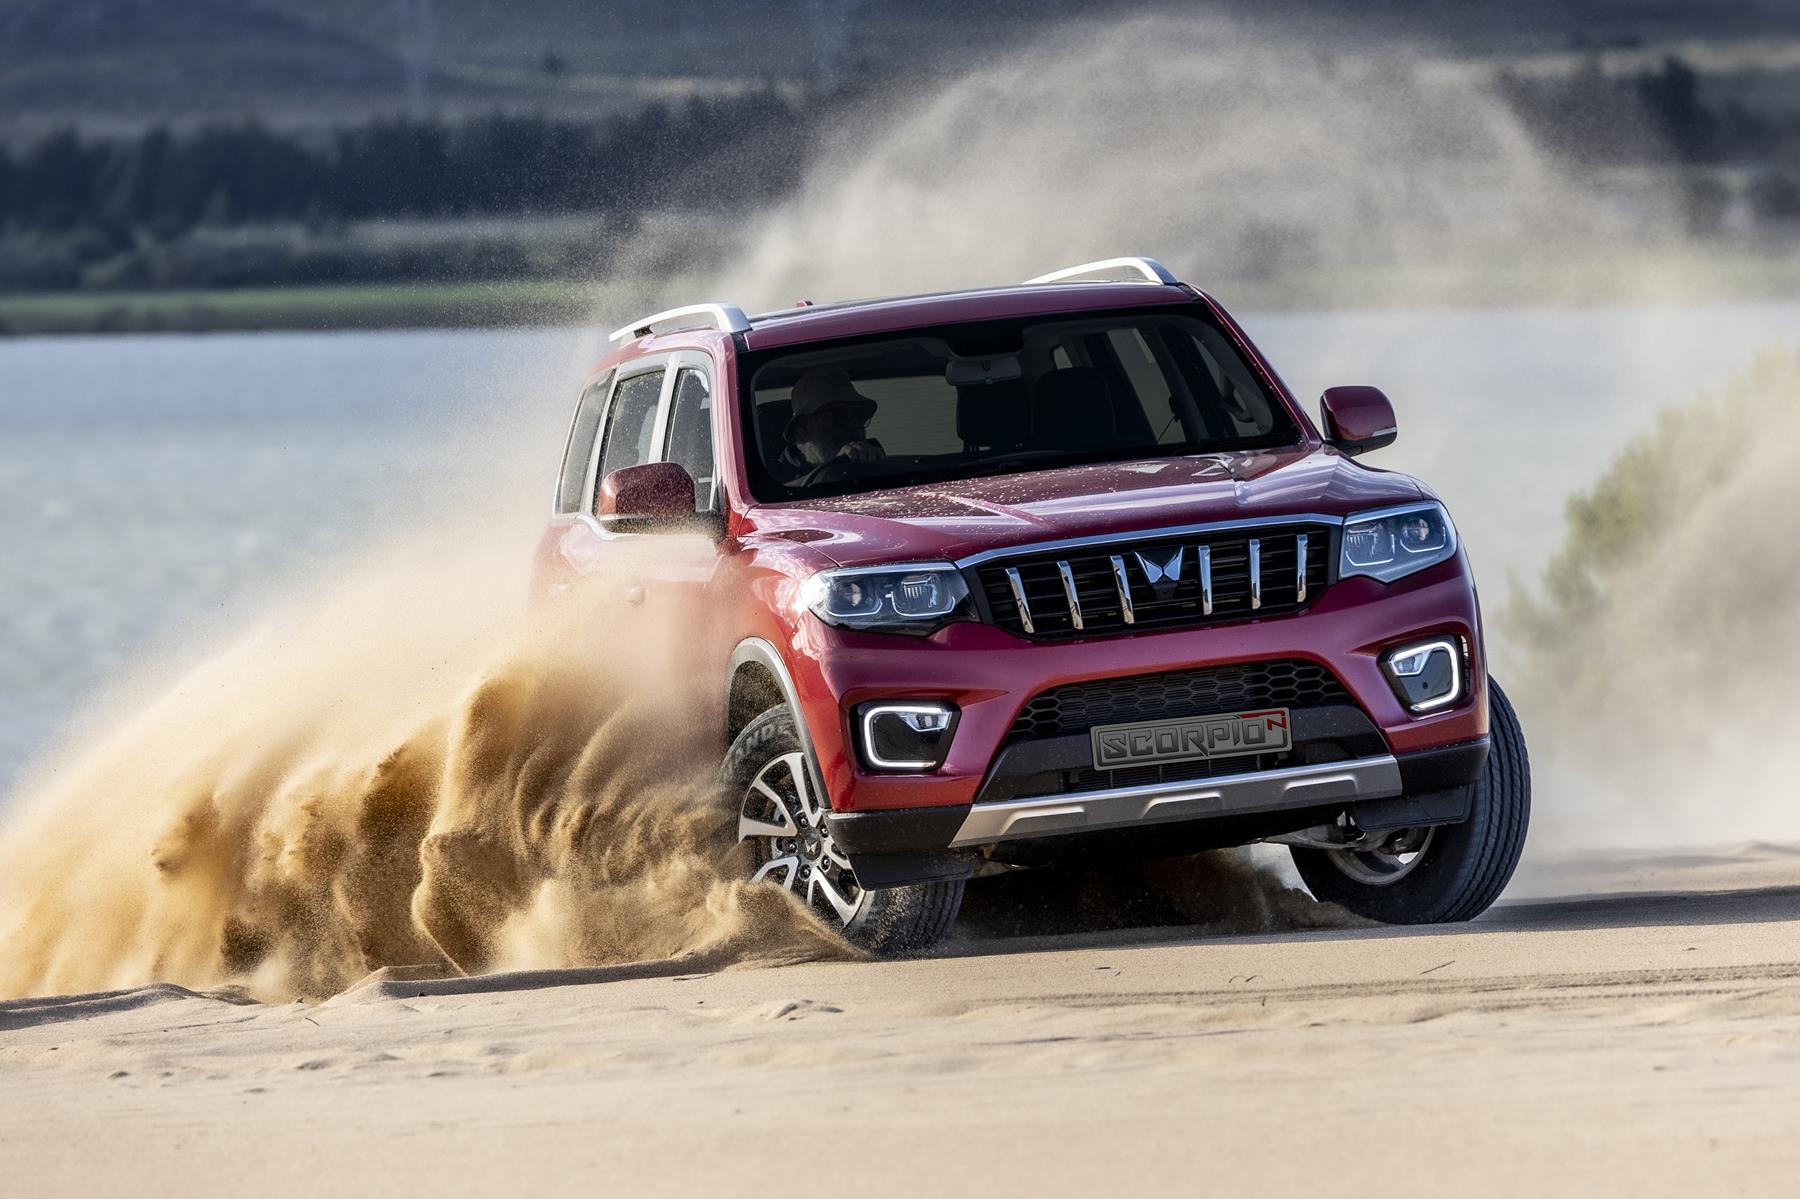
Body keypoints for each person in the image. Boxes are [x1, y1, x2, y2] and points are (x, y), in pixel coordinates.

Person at [775, 369, 887, 483]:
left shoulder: (875, 465)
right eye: (837, 415)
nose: (853, 424)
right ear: (802, 428)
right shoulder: (775, 483)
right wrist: (835, 470)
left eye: (858, 415)